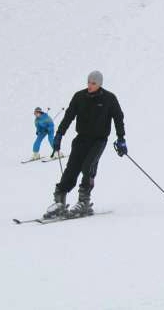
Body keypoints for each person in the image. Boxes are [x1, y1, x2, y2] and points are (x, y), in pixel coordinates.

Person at [46, 71, 126, 219]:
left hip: (98, 140)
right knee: (72, 168)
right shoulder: (79, 97)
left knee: (88, 166)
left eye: (93, 83)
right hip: (81, 139)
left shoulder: (109, 98)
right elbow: (68, 116)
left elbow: (118, 118)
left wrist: (121, 138)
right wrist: (59, 135)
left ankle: (84, 201)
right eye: (88, 82)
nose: (90, 85)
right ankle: (59, 201)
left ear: (100, 84)